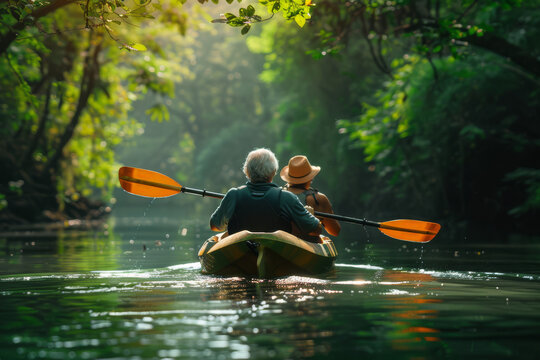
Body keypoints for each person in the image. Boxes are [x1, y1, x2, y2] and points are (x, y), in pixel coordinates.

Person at [210, 148, 322, 239]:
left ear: (247, 171)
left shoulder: (233, 195)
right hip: (278, 252)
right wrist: (310, 214)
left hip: (240, 251)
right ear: (273, 172)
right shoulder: (286, 197)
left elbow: (215, 226)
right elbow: (315, 229)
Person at [280, 155, 341, 237]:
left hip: (283, 239)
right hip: (308, 244)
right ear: (310, 178)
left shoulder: (278, 194)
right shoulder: (318, 199)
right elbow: (335, 231)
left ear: (289, 178)